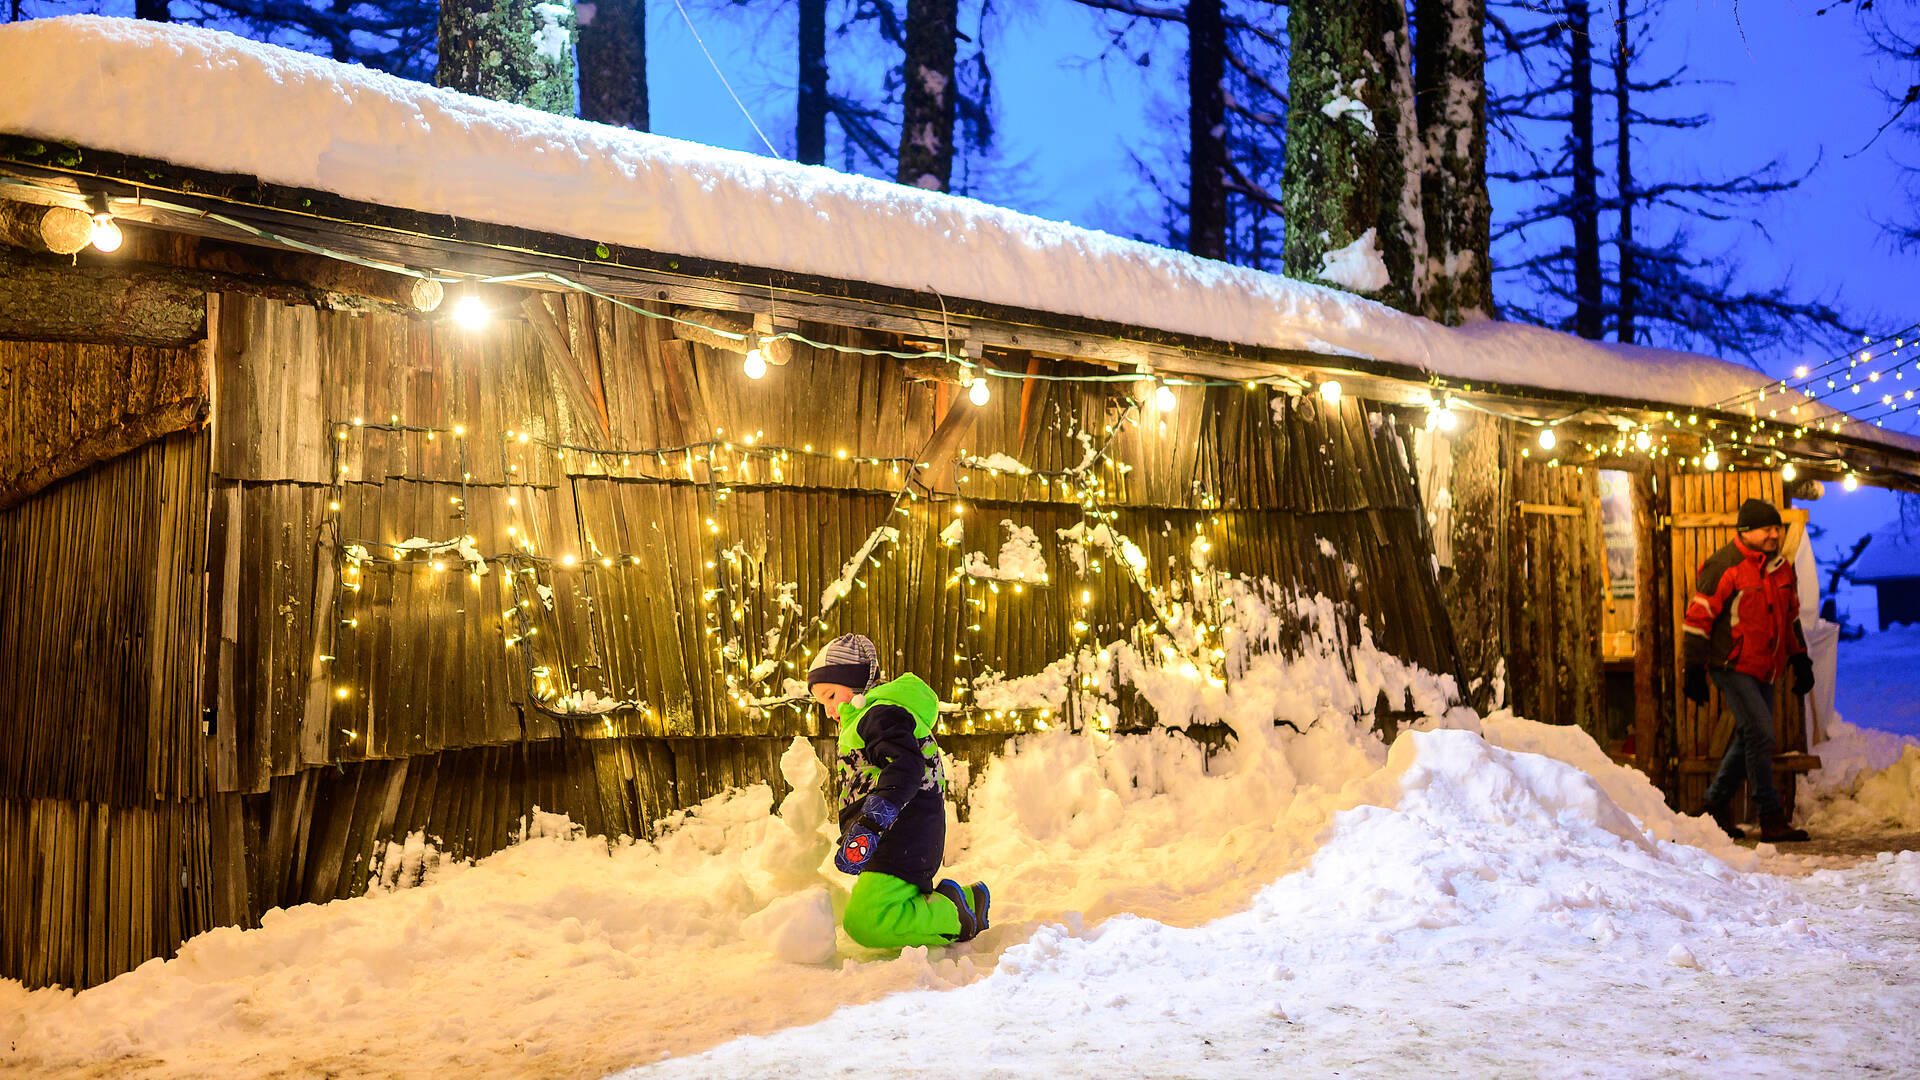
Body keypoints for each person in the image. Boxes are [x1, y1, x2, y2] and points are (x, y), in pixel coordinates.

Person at [807, 633, 991, 947]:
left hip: (902, 836)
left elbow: (906, 767)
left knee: (865, 921)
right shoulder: (870, 719)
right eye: (821, 702)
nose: (827, 710)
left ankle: (954, 917)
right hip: (897, 838)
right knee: (885, 907)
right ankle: (967, 902)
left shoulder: (879, 716)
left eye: (829, 695)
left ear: (854, 684)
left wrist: (871, 822)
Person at [1682, 498, 1815, 843]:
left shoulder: (1782, 568)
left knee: (1751, 736)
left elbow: (1791, 618)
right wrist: (1693, 668)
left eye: (1777, 528)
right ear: (1746, 532)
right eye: (1767, 529)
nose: (1775, 534)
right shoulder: (1724, 565)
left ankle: (1714, 804)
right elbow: (1698, 620)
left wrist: (1800, 659)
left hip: (1765, 668)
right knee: (1762, 734)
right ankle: (1769, 816)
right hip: (1732, 665)